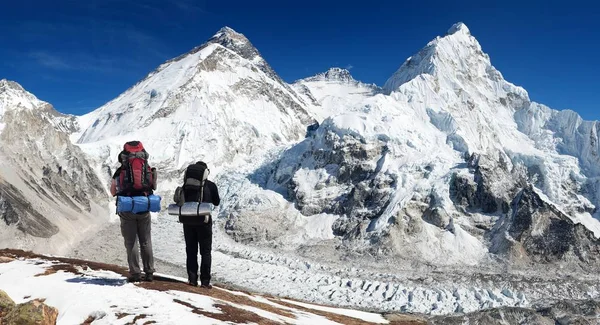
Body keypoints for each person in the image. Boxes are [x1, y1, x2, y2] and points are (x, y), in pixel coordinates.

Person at [110, 141, 157, 283]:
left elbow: (113, 191)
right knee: (146, 241)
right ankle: (149, 272)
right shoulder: (147, 169)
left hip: (127, 207)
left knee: (131, 242)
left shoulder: (121, 171)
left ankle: (135, 273)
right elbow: (153, 186)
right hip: (144, 206)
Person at [179, 161, 220, 288]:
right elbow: (216, 202)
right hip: (204, 221)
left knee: (191, 250)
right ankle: (205, 282)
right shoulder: (211, 186)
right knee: (205, 252)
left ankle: (192, 279)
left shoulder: (186, 186)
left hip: (188, 221)